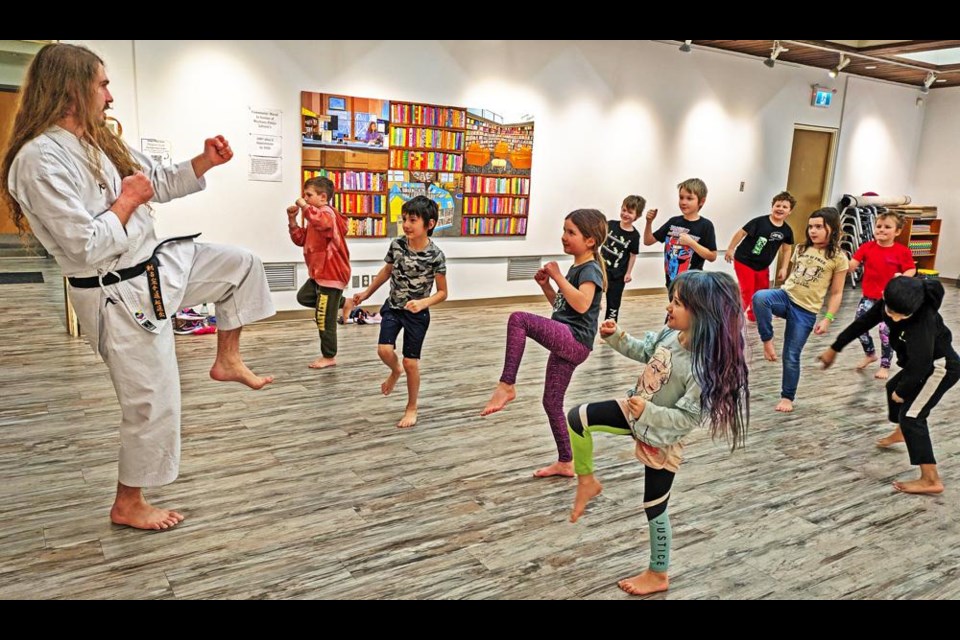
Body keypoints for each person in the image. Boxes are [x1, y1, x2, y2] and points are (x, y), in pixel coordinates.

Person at [0, 43, 275, 530]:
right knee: (152, 402)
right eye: (101, 83)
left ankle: (226, 357)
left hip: (153, 264)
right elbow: (85, 245)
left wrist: (203, 162)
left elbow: (156, 181)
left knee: (242, 265)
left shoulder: (97, 139)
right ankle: (128, 502)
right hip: (115, 293)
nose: (109, 94)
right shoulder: (37, 160)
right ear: (71, 87)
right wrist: (127, 201)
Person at [566, 270, 749, 596]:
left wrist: (648, 412)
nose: (669, 307)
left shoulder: (702, 368)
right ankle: (586, 480)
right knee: (577, 417)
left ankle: (658, 573)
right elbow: (645, 350)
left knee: (655, 507)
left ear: (702, 314)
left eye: (677, 303)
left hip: (661, 438)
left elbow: (685, 420)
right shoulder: (670, 336)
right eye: (672, 299)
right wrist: (617, 336)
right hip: (637, 412)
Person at [481, 209, 608, 478]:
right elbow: (563, 308)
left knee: (519, 319)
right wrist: (547, 286)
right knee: (551, 402)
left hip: (575, 341)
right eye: (564, 230)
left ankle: (507, 384)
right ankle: (566, 461)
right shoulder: (578, 267)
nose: (564, 236)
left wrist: (558, 277)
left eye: (571, 232)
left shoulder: (590, 269)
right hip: (569, 336)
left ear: (590, 241)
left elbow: (583, 304)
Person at [818, 276, 958, 495]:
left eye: (901, 316)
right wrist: (834, 348)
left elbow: (920, 366)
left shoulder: (923, 321)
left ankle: (931, 479)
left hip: (940, 368)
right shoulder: (889, 304)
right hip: (920, 365)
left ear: (914, 309)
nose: (894, 318)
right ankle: (903, 432)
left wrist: (903, 392)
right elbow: (861, 324)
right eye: (891, 312)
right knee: (892, 390)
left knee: (912, 417)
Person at [352, 195, 447, 428]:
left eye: (413, 220)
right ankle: (395, 371)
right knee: (384, 350)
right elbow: (386, 272)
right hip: (393, 307)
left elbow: (443, 292)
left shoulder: (436, 255)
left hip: (417, 314)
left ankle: (411, 406)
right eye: (404, 219)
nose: (406, 224)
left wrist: (423, 303)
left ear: (430, 224)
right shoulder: (397, 245)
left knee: (411, 363)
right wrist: (366, 294)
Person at [751, 207, 848, 412]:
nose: (813, 231)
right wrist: (776, 305)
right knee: (760, 297)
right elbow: (794, 277)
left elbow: (837, 292)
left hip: (806, 311)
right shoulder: (802, 248)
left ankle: (787, 397)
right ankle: (767, 340)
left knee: (791, 355)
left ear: (832, 228)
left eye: (819, 227)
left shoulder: (839, 258)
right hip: (786, 297)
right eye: (811, 226)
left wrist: (828, 318)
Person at [287, 176, 351, 369]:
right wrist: (292, 219)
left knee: (324, 317)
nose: (304, 198)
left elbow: (320, 222)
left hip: (331, 273)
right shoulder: (315, 217)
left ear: (323, 198)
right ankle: (343, 302)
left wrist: (304, 208)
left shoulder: (327, 214)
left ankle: (329, 356)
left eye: (308, 195)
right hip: (318, 273)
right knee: (304, 297)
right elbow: (300, 239)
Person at [845, 211, 916, 379]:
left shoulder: (902, 251)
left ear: (897, 232)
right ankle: (870, 354)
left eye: (887, 227)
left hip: (890, 301)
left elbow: (911, 269)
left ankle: (885, 364)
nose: (881, 230)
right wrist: (841, 260)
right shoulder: (866, 247)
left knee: (885, 331)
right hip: (869, 298)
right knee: (859, 328)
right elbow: (851, 266)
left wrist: (903, 276)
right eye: (878, 226)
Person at [724, 191, 796, 322]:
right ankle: (732, 317)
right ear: (772, 207)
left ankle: (754, 315)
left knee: (761, 292)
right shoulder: (759, 222)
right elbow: (741, 233)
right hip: (744, 261)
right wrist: (730, 249)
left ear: (790, 211)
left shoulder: (786, 231)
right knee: (747, 290)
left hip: (762, 266)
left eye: (785, 207)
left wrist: (784, 268)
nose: (780, 209)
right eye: (778, 205)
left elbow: (786, 250)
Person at [643, 178, 717, 296]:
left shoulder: (706, 225)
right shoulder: (673, 221)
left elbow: (712, 256)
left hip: (692, 284)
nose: (683, 202)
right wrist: (649, 222)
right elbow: (648, 241)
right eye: (681, 197)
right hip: (671, 281)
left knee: (686, 313)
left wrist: (691, 243)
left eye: (689, 198)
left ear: (701, 201)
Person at [600, 195, 644, 322]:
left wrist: (628, 273)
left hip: (617, 275)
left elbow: (632, 255)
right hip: (601, 269)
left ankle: (609, 330)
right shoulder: (610, 224)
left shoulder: (635, 236)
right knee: (592, 295)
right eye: (624, 210)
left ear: (637, 215)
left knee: (613, 304)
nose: (625, 214)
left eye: (630, 212)